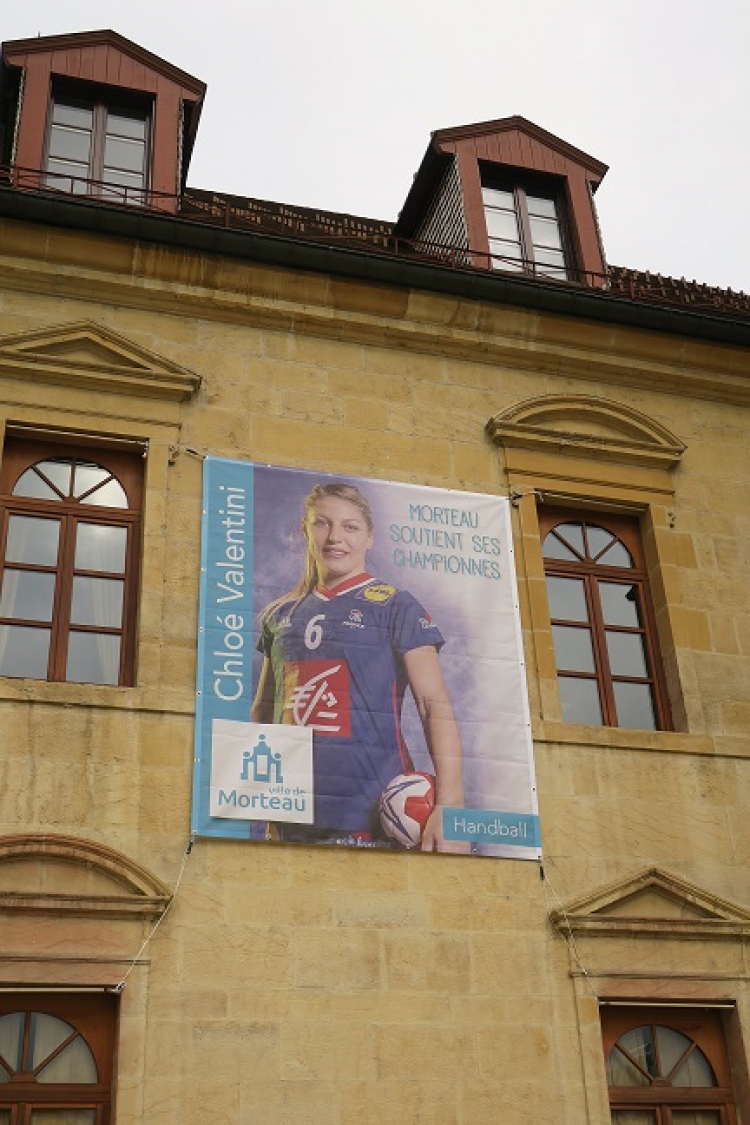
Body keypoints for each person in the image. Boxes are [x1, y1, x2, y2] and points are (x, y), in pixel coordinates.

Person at [251, 481, 465, 852]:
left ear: (370, 538)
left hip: (376, 819)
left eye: (350, 527)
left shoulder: (396, 606)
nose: (335, 537)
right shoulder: (280, 615)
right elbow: (265, 713)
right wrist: (266, 805)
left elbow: (434, 706)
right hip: (295, 822)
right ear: (306, 530)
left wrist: (451, 807)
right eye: (322, 523)